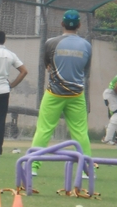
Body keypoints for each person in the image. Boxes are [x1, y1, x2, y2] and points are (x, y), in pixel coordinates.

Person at [30, 10, 92, 176]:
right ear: (79, 25)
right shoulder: (86, 45)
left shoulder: (51, 42)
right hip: (76, 95)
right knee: (80, 132)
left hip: (54, 94)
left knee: (43, 130)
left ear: (62, 24)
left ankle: (33, 166)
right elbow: (85, 71)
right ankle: (86, 170)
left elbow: (48, 66)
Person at [102, 71, 117, 145]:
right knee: (116, 114)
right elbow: (116, 88)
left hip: (112, 94)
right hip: (110, 93)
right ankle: (107, 139)